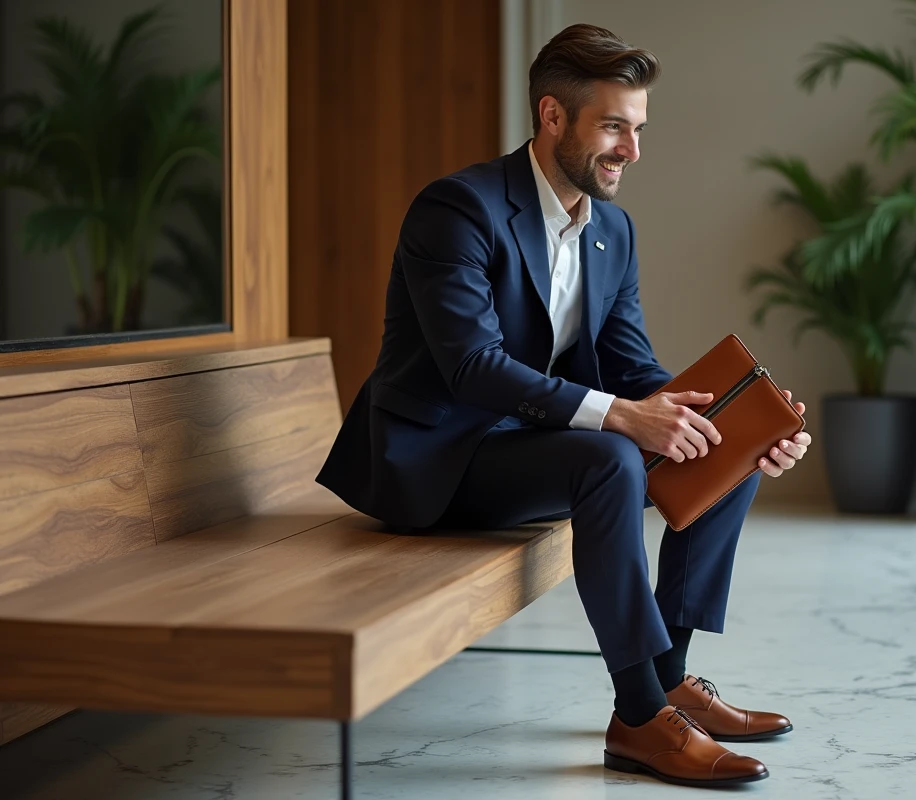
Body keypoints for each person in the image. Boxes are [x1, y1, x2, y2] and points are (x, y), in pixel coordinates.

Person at [316, 22, 813, 789]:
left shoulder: (611, 229)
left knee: (714, 442)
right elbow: (472, 368)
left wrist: (745, 423)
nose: (632, 151)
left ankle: (669, 680)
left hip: (531, 445)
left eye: (638, 129)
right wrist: (620, 415)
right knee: (611, 454)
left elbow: (632, 368)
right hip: (440, 461)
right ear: (553, 116)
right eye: (615, 126)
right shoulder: (457, 209)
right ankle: (641, 718)